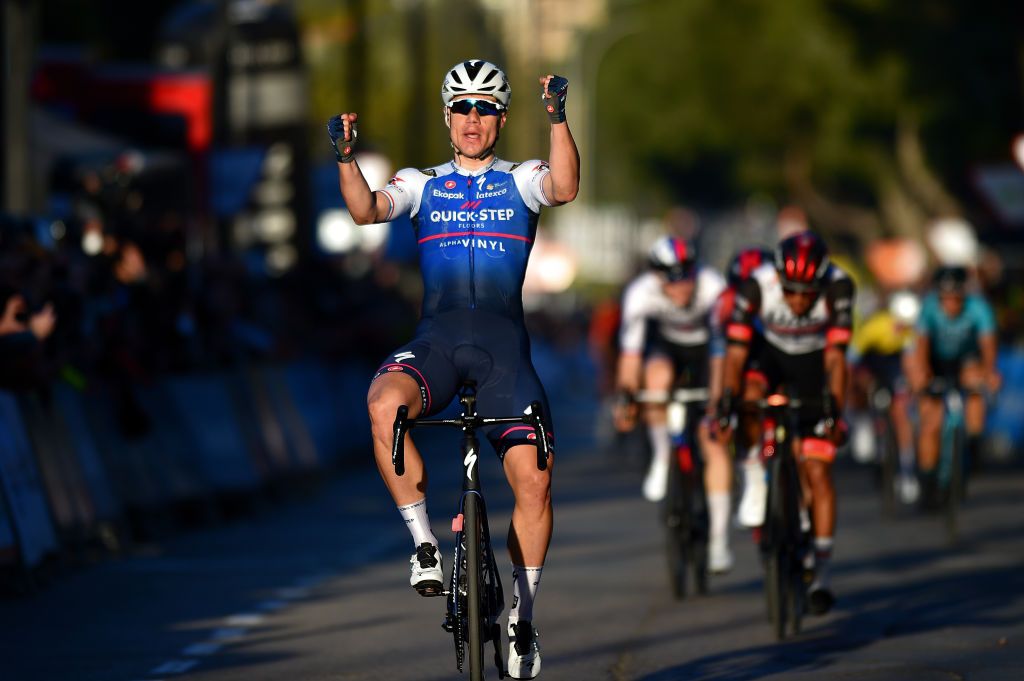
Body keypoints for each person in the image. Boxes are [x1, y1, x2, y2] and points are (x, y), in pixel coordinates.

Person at [328, 59, 579, 679]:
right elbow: (364, 211)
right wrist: (344, 157)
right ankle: (423, 544)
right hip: (437, 346)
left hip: (504, 357)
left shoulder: (521, 180)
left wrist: (558, 118)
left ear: (501, 117)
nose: (473, 118)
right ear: (447, 117)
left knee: (535, 483)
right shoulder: (421, 182)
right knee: (384, 402)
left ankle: (522, 618)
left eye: (486, 107)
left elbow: (566, 187)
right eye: (462, 108)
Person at [719, 231, 854, 615]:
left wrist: (834, 412)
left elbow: (836, 359)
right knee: (747, 394)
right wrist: (728, 401)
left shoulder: (839, 286)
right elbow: (735, 353)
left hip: (816, 365)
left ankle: (822, 572)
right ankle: (754, 473)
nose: (797, 301)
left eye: (806, 293)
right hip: (772, 359)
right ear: (777, 278)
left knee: (817, 471)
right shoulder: (755, 285)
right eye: (790, 290)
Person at [612, 236, 731, 571]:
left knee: (713, 442)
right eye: (671, 280)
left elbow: (724, 354)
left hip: (709, 353)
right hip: (667, 348)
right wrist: (625, 397)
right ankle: (663, 456)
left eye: (686, 277)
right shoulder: (640, 292)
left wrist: (717, 402)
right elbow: (631, 355)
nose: (680, 288)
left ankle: (719, 542)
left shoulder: (713, 286)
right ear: (657, 278)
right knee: (655, 380)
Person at [909, 266, 1000, 505]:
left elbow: (988, 344)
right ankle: (928, 480)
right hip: (937, 361)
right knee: (931, 422)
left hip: (966, 359)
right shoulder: (928, 308)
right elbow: (921, 345)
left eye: (956, 298)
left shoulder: (978, 308)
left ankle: (972, 441)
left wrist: (989, 372)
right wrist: (922, 375)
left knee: (974, 388)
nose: (951, 304)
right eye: (945, 299)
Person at [707, 247, 773, 529]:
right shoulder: (724, 304)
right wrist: (719, 401)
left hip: (781, 353)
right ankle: (753, 472)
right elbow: (722, 357)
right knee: (747, 398)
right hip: (745, 358)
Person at [847, 289, 921, 503]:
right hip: (871, 365)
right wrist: (856, 386)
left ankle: (907, 470)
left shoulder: (913, 331)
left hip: (896, 367)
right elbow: (853, 360)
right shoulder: (876, 326)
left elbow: (913, 362)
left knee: (901, 411)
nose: (905, 327)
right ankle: (863, 423)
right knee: (864, 389)